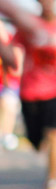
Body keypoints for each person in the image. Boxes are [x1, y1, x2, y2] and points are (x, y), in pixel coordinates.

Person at [0, 0, 56, 189]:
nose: (47, 0)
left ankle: (53, 182)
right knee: (36, 142)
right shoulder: (28, 26)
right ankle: (39, 142)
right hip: (31, 91)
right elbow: (12, 55)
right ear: (37, 0)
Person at [0, 22, 22, 150]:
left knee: (8, 106)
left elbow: (16, 67)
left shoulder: (11, 40)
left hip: (9, 83)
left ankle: (7, 134)